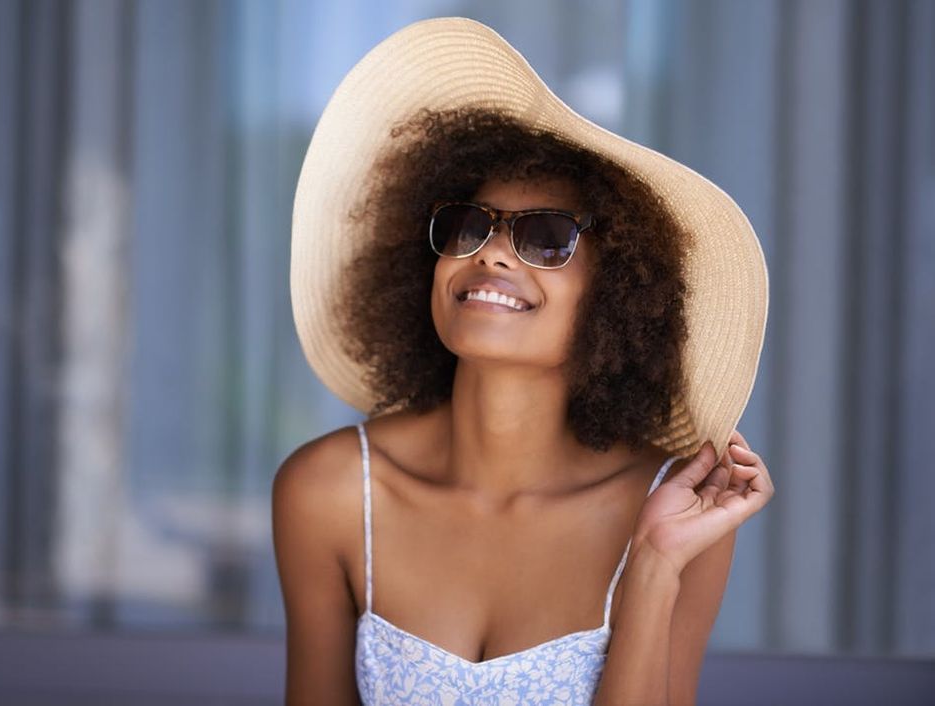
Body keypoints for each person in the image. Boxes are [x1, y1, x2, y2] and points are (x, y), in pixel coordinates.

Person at [273, 17, 773, 706]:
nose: (492, 254)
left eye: (546, 237)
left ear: (618, 291)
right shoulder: (329, 492)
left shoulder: (674, 513)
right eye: (467, 225)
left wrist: (655, 565)